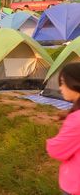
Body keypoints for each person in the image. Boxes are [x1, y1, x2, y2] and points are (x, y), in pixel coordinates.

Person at [46, 63, 80, 195]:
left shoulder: (76, 120)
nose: (60, 88)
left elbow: (57, 150)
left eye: (62, 83)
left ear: (75, 83)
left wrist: (49, 142)